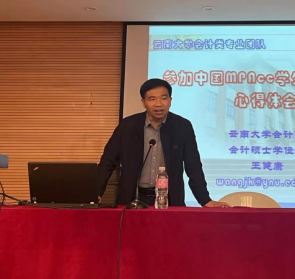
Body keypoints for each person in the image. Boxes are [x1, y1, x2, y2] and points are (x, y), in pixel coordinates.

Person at [97, 79, 231, 208]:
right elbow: (108, 161)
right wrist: (96, 193)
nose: (158, 104)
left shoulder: (182, 126)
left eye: (164, 98)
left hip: (169, 200)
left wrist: (205, 200)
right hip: (132, 200)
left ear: (170, 100)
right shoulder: (127, 126)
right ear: (143, 102)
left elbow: (193, 165)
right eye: (152, 99)